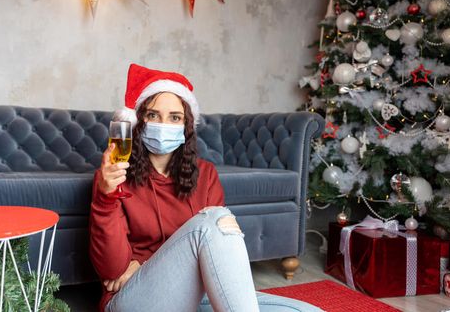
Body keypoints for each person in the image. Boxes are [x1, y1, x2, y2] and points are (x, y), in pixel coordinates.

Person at [89, 64, 323, 312]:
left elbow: (216, 255)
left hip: (195, 295)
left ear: (187, 126)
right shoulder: (112, 176)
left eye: (175, 117)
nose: (163, 124)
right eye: (153, 115)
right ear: (139, 122)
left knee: (310, 311)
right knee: (215, 219)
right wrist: (106, 197)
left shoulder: (206, 175)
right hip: (133, 298)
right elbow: (113, 271)